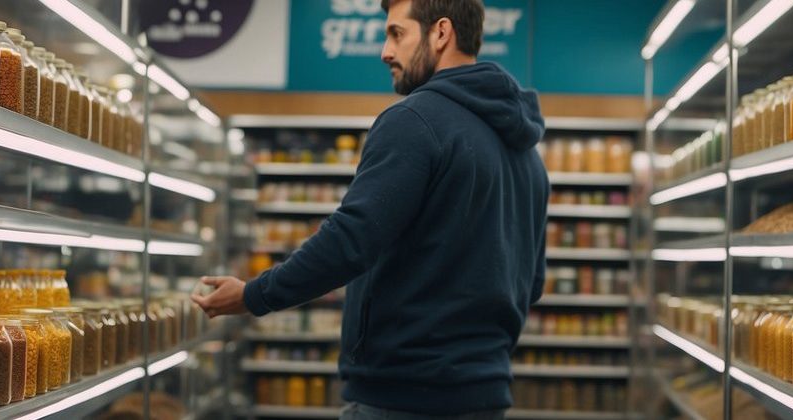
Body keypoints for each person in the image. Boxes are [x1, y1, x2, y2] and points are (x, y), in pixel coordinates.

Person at [191, 0, 547, 418]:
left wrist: (254, 295)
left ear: (441, 33)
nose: (385, 51)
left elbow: (351, 239)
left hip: (402, 396)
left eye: (397, 33)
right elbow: (531, 282)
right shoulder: (527, 155)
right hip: (485, 397)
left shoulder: (414, 121)